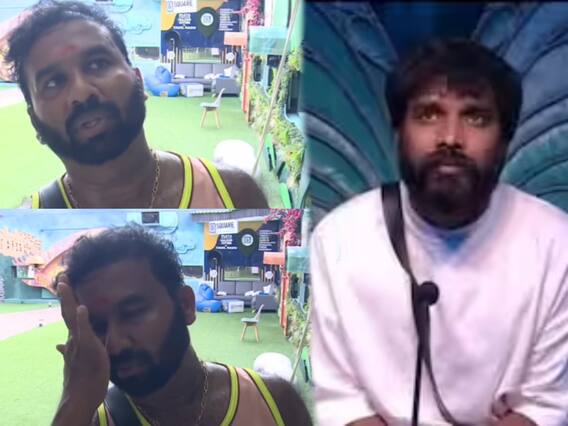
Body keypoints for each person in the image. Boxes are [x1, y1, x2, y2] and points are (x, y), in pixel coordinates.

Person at [310, 38, 568, 425]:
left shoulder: (555, 243)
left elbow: (543, 405)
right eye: (429, 114)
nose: (450, 138)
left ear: (504, 140)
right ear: (399, 132)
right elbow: (337, 402)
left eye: (476, 118)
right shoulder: (338, 242)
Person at [5, 0, 268, 209]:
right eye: (53, 82)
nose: (81, 92)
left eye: (97, 64)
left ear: (139, 81)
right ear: (35, 122)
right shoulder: (30, 217)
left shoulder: (235, 193)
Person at [52, 225, 312, 425]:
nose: (115, 345)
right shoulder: (91, 420)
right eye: (97, 326)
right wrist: (74, 403)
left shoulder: (275, 402)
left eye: (133, 313)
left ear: (185, 305)